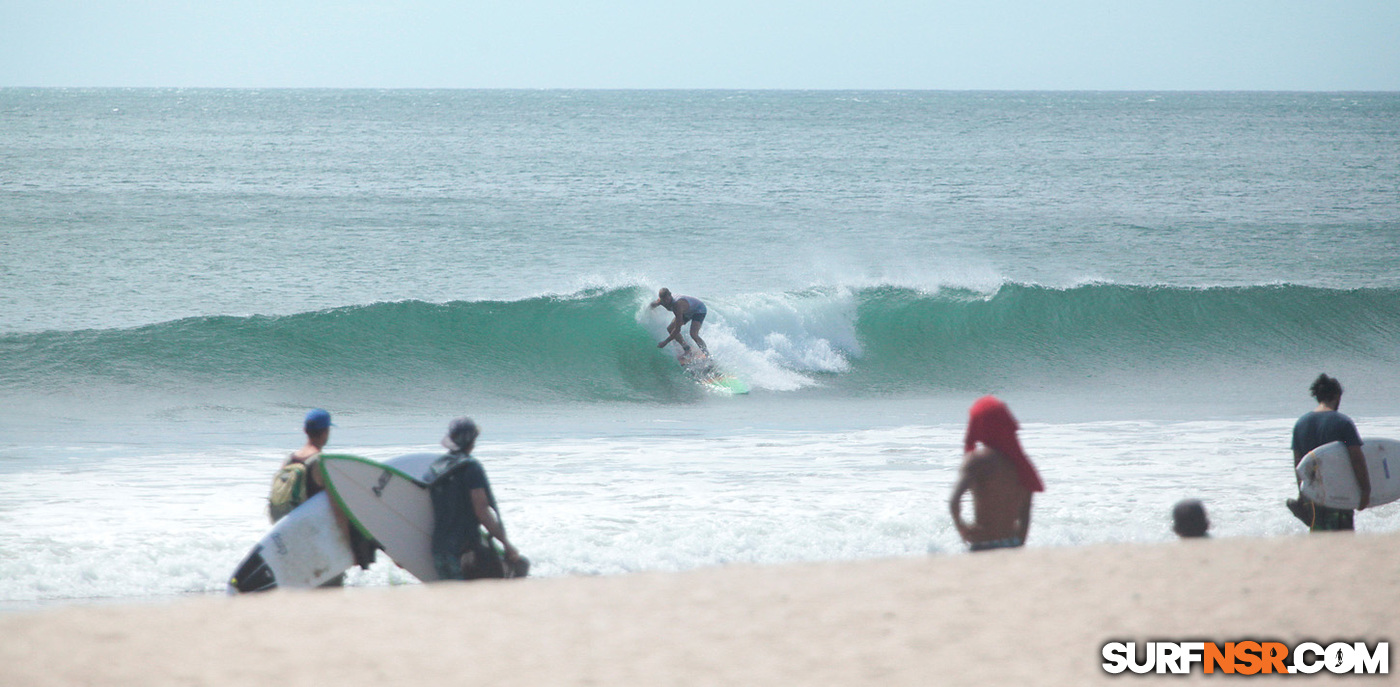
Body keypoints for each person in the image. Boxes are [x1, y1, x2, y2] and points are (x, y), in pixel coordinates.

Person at [423, 417, 527, 580]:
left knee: (451, 600)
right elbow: (481, 509)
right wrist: (506, 544)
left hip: (438, 549)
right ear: (472, 441)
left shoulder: (435, 468)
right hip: (464, 552)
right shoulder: (471, 468)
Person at [949, 396, 1044, 551]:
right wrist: (1019, 543)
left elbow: (954, 502)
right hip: (1012, 543)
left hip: (984, 544)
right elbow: (1025, 512)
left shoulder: (978, 461)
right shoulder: (1020, 463)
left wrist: (963, 529)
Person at [1287, 374, 1370, 532]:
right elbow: (1357, 459)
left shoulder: (1300, 424)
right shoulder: (1343, 422)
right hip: (1340, 493)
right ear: (1337, 396)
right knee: (1342, 541)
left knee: (1318, 538)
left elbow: (1299, 464)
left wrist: (1303, 494)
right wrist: (1365, 491)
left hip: (1315, 493)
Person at [649, 287, 709, 357]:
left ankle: (707, 355)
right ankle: (687, 348)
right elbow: (652, 305)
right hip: (686, 311)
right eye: (663, 300)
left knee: (693, 334)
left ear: (670, 295)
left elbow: (677, 329)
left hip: (698, 310)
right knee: (670, 329)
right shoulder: (660, 301)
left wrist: (665, 342)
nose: (666, 301)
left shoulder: (677, 305)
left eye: (667, 299)